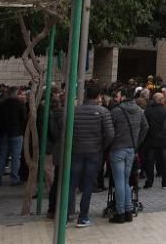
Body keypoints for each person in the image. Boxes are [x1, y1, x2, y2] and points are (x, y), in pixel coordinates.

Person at [67, 84, 115, 228]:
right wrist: (102, 146)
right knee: (88, 184)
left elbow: (67, 131)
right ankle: (83, 217)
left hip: (76, 151)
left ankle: (66, 214)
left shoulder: (74, 111)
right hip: (94, 152)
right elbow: (110, 134)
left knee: (71, 183)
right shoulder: (103, 112)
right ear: (98, 96)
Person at [108, 87, 148, 223]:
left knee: (119, 181)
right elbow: (145, 127)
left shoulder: (116, 111)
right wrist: (136, 142)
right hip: (131, 149)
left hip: (117, 148)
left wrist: (110, 143)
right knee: (125, 181)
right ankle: (128, 210)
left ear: (123, 96)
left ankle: (120, 212)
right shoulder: (138, 110)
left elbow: (109, 130)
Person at [0, 86, 27, 186]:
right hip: (16, 132)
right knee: (16, 157)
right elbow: (23, 119)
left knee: (1, 156)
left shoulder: (1, 104)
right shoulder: (19, 105)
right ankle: (14, 179)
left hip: (3, 132)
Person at [142, 92, 166, 188]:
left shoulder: (148, 111)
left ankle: (149, 182)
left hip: (151, 140)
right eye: (163, 98)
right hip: (164, 141)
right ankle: (165, 182)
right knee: (165, 162)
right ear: (160, 100)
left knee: (150, 162)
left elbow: (145, 126)